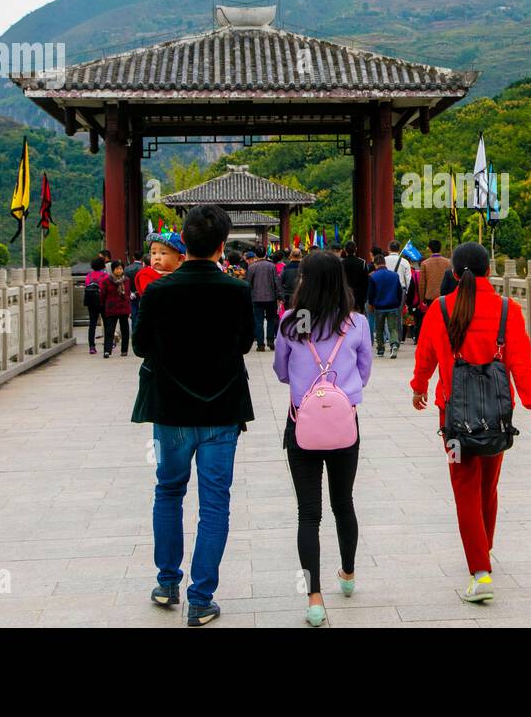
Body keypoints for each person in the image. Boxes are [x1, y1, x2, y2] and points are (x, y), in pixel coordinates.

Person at [132, 204, 255, 627]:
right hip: (221, 409)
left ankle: (167, 583)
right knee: (215, 503)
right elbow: (244, 344)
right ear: (222, 245)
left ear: (185, 241)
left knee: (168, 490)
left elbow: (141, 345)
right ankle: (201, 598)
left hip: (171, 409)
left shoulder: (157, 291)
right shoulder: (235, 291)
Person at [410, 242, 531, 604]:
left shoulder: (441, 309)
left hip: (455, 419)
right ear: (489, 271)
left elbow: (425, 354)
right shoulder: (508, 310)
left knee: (465, 489)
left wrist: (419, 387)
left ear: (454, 274)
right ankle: (481, 551)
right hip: (497, 416)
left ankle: (480, 571)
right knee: (488, 486)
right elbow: (519, 362)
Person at [273, 250, 372, 627]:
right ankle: (347, 574)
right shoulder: (357, 323)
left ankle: (313, 598)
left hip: (302, 423)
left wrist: (305, 382)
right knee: (343, 502)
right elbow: (363, 374)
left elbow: (281, 371)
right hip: (345, 424)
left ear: (305, 281)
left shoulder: (290, 323)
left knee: (308, 512)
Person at [366, 253, 403, 359]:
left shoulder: (373, 276)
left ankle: (381, 349)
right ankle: (394, 344)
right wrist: (398, 302)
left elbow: (371, 293)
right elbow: (399, 291)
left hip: (379, 307)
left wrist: (371, 304)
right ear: (384, 263)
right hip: (392, 305)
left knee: (379, 329)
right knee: (393, 328)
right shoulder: (394, 275)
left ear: (375, 264)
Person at [247, 247, 279, 351]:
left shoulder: (252, 267)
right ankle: (270, 341)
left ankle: (260, 344)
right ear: (266, 254)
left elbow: (248, 283)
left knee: (258, 321)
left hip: (256, 298)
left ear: (256, 255)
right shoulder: (271, 266)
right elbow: (276, 282)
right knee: (271, 319)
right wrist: (280, 295)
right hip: (271, 297)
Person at [416, 239, 451, 335]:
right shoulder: (448, 262)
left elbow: (422, 283)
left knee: (432, 318)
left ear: (430, 249)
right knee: (444, 319)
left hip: (430, 296)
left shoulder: (425, 263)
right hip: (446, 296)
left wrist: (421, 299)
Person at [100, 260, 132, 357]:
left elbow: (128, 293)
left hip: (123, 307)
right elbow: (103, 295)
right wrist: (104, 304)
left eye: (121, 268)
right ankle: (107, 350)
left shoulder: (126, 280)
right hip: (112, 308)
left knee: (125, 330)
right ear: (113, 270)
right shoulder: (106, 281)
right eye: (117, 269)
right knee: (109, 330)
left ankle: (124, 350)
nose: (119, 271)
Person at [83, 256, 108, 354]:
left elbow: (86, 286)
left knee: (92, 324)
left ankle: (92, 346)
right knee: (106, 324)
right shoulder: (105, 276)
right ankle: (108, 344)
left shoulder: (88, 276)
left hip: (91, 303)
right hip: (103, 302)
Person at [341, 240, 369, 317]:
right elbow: (366, 281)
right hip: (359, 295)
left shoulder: (341, 263)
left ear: (345, 250)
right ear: (355, 249)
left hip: (345, 295)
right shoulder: (362, 262)